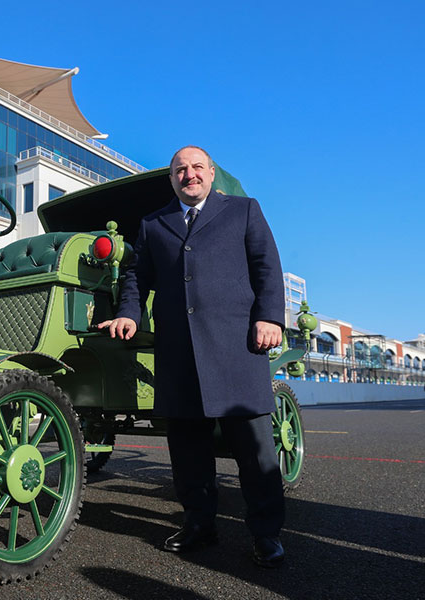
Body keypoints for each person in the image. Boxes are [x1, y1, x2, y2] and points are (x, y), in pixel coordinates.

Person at [99, 146, 286, 568]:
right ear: (172, 180)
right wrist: (128, 313)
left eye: (196, 167)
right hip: (179, 351)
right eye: (180, 170)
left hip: (238, 346)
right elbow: (136, 277)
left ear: (211, 173)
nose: (189, 175)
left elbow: (267, 266)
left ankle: (266, 533)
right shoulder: (152, 224)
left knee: (255, 453)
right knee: (187, 453)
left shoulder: (243, 210)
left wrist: (270, 317)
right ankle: (200, 526)